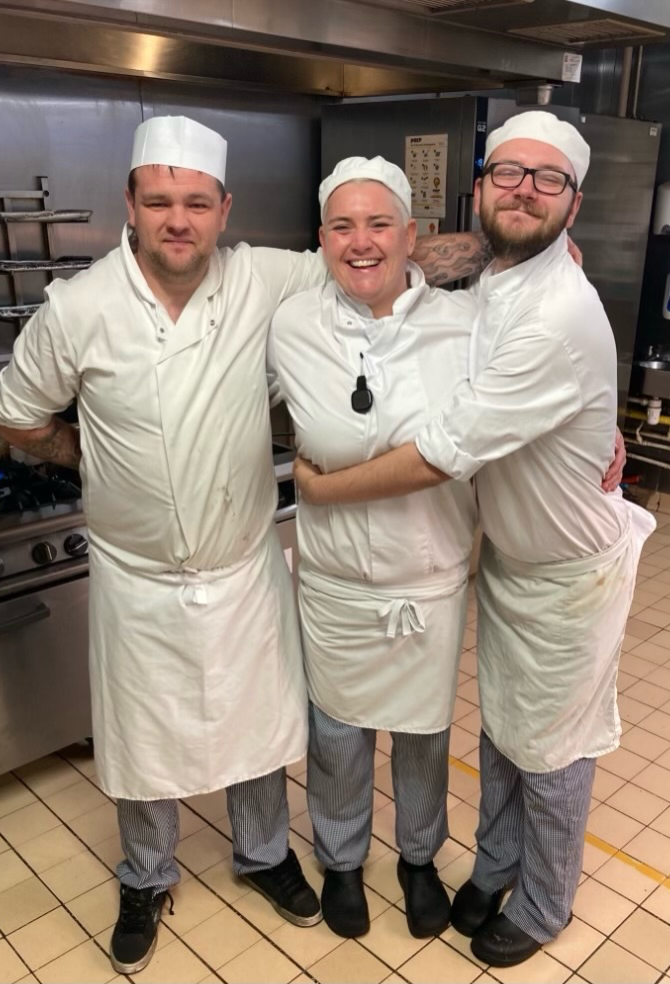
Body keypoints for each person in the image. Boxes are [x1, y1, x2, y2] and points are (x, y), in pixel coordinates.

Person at [0, 115, 494, 975]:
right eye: (159, 202)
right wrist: (85, 451)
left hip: (240, 563)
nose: (177, 220)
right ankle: (145, 875)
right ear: (131, 205)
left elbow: (375, 251)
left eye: (195, 203)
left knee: (256, 723)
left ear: (226, 209)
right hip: (136, 576)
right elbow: (13, 414)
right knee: (141, 739)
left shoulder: (265, 278)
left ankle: (265, 856)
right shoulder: (80, 307)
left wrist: (519, 264)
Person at [293, 111, 653, 969]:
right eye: (508, 173)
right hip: (508, 559)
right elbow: (432, 253)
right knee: (501, 734)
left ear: (576, 197)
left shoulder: (554, 315)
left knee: (553, 751)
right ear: (483, 183)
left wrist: (317, 487)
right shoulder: (505, 275)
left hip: (571, 570)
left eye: (548, 178)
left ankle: (543, 902)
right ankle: (494, 864)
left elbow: (441, 456)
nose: (524, 190)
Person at [267, 157, 478, 941]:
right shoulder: (290, 326)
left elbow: (512, 416)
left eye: (379, 223)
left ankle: (419, 860)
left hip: (426, 576)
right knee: (338, 737)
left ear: (411, 237)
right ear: (321, 240)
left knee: (424, 735)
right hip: (336, 581)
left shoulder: (464, 326)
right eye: (344, 226)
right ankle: (343, 861)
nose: (362, 242)